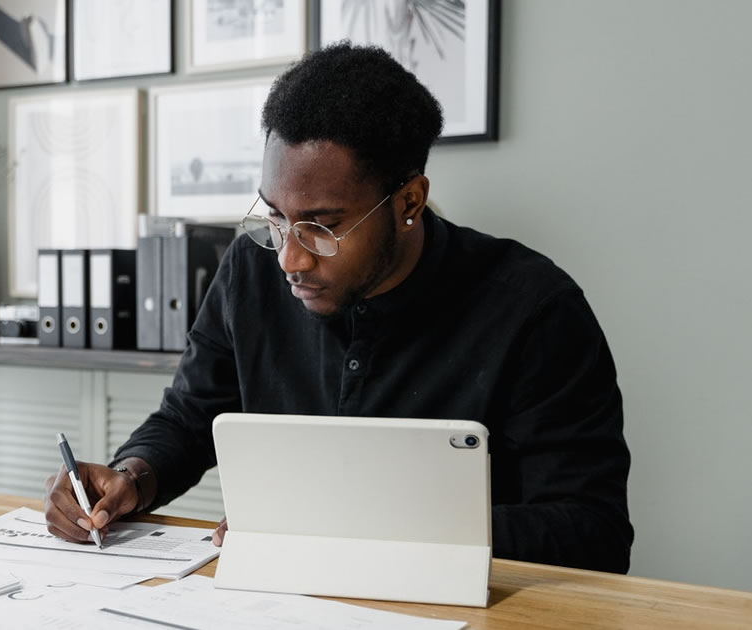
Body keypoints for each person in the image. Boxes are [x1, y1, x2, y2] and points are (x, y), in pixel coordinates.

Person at [44, 44, 633, 573]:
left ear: (409, 200)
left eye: (322, 227)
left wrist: (356, 532)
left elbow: (593, 533)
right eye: (274, 217)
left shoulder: (535, 310)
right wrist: (132, 476)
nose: (289, 260)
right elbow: (189, 419)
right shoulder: (250, 270)